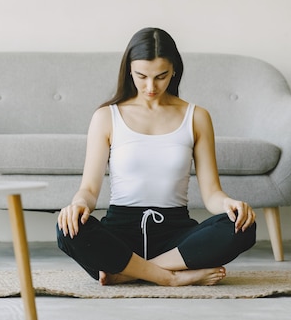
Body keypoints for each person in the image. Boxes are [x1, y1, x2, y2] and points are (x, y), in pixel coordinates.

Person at [56, 27, 256, 287]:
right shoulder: (107, 117)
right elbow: (89, 189)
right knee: (66, 229)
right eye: (142, 76)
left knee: (243, 226)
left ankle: (127, 273)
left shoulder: (196, 117)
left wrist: (231, 204)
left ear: (174, 70)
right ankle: (169, 277)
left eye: (161, 76)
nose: (151, 87)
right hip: (120, 231)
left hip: (176, 233)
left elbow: (212, 194)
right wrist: (78, 205)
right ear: (129, 69)